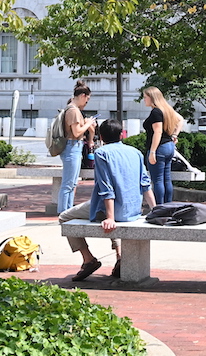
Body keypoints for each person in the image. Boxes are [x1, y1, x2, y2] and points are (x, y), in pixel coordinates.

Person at [58, 118, 155, 281]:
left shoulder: (101, 153)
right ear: (121, 135)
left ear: (101, 136)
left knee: (64, 217)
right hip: (133, 210)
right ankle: (119, 256)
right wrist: (155, 210)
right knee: (105, 212)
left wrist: (111, 217)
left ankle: (88, 259)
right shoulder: (136, 153)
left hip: (113, 210)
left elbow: (106, 188)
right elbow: (145, 184)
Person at [58, 80, 96, 214]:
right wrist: (88, 123)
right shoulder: (73, 111)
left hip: (74, 147)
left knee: (72, 183)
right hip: (72, 147)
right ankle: (63, 212)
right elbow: (76, 132)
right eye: (87, 99)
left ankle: (68, 211)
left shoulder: (73, 110)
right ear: (82, 96)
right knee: (68, 184)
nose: (87, 102)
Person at [142, 86, 182, 205]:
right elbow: (180, 120)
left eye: (145, 97)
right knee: (166, 179)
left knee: (158, 180)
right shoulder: (166, 109)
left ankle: (160, 207)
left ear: (152, 98)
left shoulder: (156, 112)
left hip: (159, 148)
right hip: (168, 146)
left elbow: (157, 131)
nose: (144, 100)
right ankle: (168, 205)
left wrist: (153, 151)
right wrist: (175, 135)